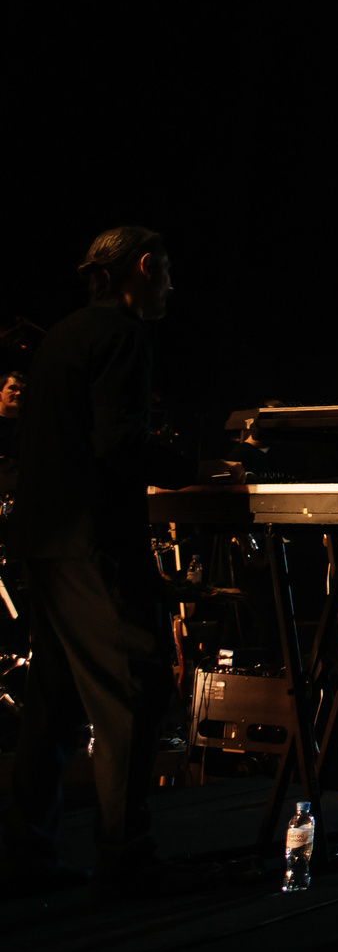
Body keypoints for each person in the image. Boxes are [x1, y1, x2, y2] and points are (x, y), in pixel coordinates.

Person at [2, 228, 206, 903]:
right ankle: (127, 857)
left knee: (55, 703)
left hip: (44, 539)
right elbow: (117, 443)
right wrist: (183, 464)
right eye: (168, 271)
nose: (172, 286)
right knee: (132, 689)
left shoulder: (61, 335)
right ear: (143, 266)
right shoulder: (125, 337)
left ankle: (25, 852)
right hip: (95, 544)